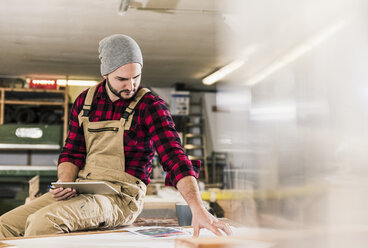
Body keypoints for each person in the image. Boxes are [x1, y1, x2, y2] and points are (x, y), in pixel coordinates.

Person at [0, 34, 232, 238]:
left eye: (136, 77)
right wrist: (65, 182)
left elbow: (174, 157)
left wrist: (198, 208)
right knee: (4, 226)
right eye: (122, 79)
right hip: (82, 188)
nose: (130, 86)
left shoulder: (149, 105)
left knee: (43, 222)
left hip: (120, 199)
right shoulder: (84, 101)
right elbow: (72, 151)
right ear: (106, 73)